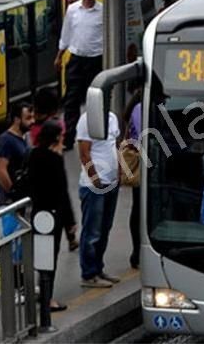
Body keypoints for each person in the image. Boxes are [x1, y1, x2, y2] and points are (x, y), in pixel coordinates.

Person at [27, 120, 77, 332]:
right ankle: (47, 301)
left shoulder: (32, 155)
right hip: (53, 217)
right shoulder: (55, 160)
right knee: (50, 259)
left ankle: (41, 295)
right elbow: (62, 193)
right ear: (56, 137)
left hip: (37, 214)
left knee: (41, 256)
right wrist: (70, 223)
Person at [55, 0, 103, 150]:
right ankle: (68, 138)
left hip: (96, 61)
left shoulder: (103, 11)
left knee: (95, 100)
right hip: (76, 61)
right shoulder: (72, 10)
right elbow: (66, 34)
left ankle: (95, 136)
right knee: (71, 101)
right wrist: (59, 56)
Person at [76, 109, 121, 288]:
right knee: (92, 231)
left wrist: (119, 170)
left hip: (111, 183)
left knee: (104, 228)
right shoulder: (86, 120)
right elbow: (84, 153)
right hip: (94, 186)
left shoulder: (112, 117)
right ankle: (88, 273)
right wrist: (95, 179)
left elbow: (115, 145)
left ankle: (98, 267)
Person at [0, 102, 33, 235]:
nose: (32, 121)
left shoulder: (24, 138)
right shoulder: (6, 140)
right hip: (11, 203)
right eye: (27, 118)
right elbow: (0, 170)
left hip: (22, 201)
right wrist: (13, 194)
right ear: (17, 120)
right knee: (11, 242)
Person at [123, 88, 143, 269]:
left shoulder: (137, 107)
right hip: (145, 163)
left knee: (138, 207)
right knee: (139, 208)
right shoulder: (139, 108)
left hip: (147, 161)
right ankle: (137, 252)